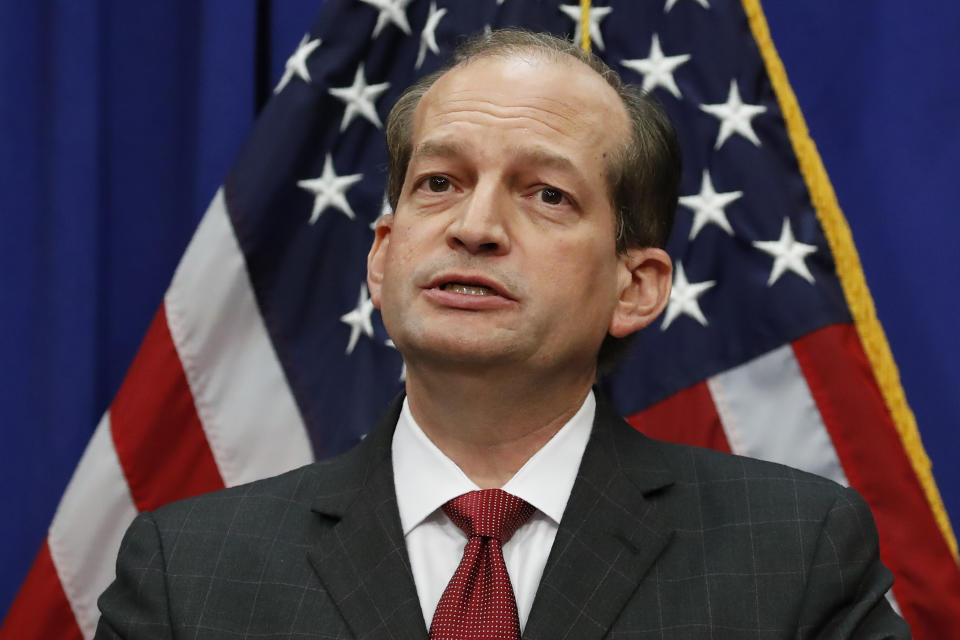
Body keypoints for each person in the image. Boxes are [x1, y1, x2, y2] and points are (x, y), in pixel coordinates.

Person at [95, 30, 909, 639]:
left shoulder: (795, 554)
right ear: (382, 259)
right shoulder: (188, 573)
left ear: (636, 286)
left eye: (547, 194)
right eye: (440, 183)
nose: (475, 227)